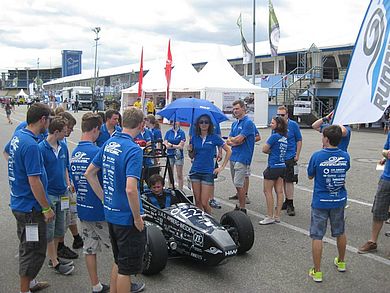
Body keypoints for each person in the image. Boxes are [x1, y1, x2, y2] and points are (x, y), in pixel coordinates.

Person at [85, 107, 146, 293]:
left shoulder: (110, 143)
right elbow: (130, 189)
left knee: (119, 261)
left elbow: (90, 173)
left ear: (121, 122)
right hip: (127, 218)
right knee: (126, 270)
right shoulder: (134, 149)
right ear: (142, 125)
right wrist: (137, 218)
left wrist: (105, 199)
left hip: (111, 214)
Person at [5, 103, 55, 293]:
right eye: (49, 119)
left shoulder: (19, 136)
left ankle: (31, 283)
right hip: (30, 209)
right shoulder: (31, 145)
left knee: (28, 244)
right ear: (42, 120)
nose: (49, 123)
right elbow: (34, 181)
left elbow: (8, 154)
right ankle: (24, 290)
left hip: (20, 203)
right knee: (33, 249)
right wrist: (46, 208)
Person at [70, 113, 111, 293]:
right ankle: (122, 283)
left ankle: (95, 285)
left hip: (83, 207)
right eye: (99, 130)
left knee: (89, 248)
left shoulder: (75, 152)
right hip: (99, 210)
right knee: (118, 250)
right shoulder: (96, 152)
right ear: (95, 129)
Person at [307, 125, 350, 282]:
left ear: (326, 139)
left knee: (317, 235)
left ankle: (317, 271)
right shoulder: (345, 156)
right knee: (340, 231)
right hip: (338, 200)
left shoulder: (317, 156)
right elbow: (345, 170)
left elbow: (310, 176)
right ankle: (341, 261)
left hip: (321, 201)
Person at [38, 117, 75, 275]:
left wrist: (68, 182)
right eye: (65, 130)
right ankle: (53, 261)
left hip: (63, 193)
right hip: (50, 194)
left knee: (60, 227)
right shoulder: (41, 148)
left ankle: (55, 256)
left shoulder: (63, 146)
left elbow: (65, 167)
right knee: (50, 230)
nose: (67, 132)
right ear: (56, 132)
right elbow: (37, 175)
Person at [188, 115, 231, 214]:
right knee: (197, 201)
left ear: (210, 124)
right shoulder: (194, 138)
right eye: (201, 122)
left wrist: (222, 167)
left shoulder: (214, 137)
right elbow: (192, 156)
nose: (203, 124)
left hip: (207, 173)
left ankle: (210, 221)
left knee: (204, 202)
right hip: (195, 171)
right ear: (198, 124)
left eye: (206, 122)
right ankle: (200, 222)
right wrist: (190, 150)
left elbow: (228, 150)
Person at [358, 129, 390, 255]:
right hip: (386, 177)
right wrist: (386, 154)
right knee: (378, 210)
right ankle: (372, 242)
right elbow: (384, 149)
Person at [57, 112, 83, 258]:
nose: (71, 131)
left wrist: (69, 181)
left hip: (65, 185)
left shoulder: (63, 141)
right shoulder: (48, 142)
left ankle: (76, 237)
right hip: (56, 189)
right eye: (70, 128)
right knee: (62, 216)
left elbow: (65, 164)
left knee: (70, 211)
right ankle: (58, 247)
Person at [226, 100, 256, 213]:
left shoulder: (248, 123)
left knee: (239, 183)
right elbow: (229, 140)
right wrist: (235, 141)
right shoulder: (235, 123)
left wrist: (236, 140)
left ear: (243, 109)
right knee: (236, 183)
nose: (235, 111)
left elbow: (239, 139)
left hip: (243, 157)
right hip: (233, 156)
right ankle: (240, 204)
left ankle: (242, 208)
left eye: (237, 108)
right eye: (233, 109)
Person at [259, 116, 288, 225]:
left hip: (273, 166)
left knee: (267, 191)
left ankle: (269, 216)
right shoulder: (284, 138)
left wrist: (270, 152)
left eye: (272, 123)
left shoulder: (274, 136)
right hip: (282, 165)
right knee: (279, 191)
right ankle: (277, 215)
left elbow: (264, 149)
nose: (271, 124)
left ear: (278, 125)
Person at [276, 106, 302, 216]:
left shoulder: (293, 125)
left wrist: (297, 154)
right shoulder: (276, 125)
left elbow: (299, 140)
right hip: (279, 157)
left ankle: (290, 203)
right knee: (280, 180)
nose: (280, 117)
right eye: (279, 115)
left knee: (289, 180)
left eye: (282, 115)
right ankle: (286, 201)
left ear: (287, 115)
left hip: (290, 156)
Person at [164, 121, 186, 190]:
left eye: (175, 122)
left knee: (179, 174)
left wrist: (171, 145)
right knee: (170, 173)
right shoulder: (168, 132)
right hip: (170, 155)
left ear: (179, 123)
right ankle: (171, 187)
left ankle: (180, 189)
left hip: (178, 155)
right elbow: (165, 145)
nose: (174, 124)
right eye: (172, 122)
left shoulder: (182, 133)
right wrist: (175, 146)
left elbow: (181, 146)